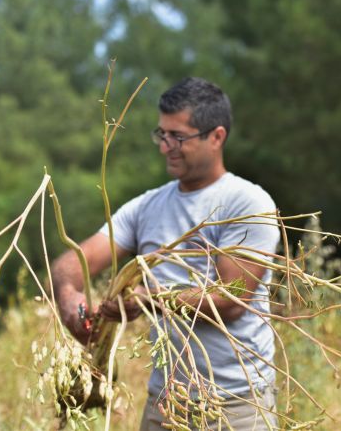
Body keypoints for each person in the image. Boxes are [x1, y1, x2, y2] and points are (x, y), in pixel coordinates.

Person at [52, 77, 280, 431]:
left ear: (216, 136)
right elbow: (75, 261)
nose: (166, 147)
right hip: (166, 403)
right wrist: (69, 295)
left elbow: (232, 300)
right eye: (161, 135)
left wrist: (149, 300)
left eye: (179, 137)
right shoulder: (147, 207)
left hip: (237, 404)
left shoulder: (247, 203)